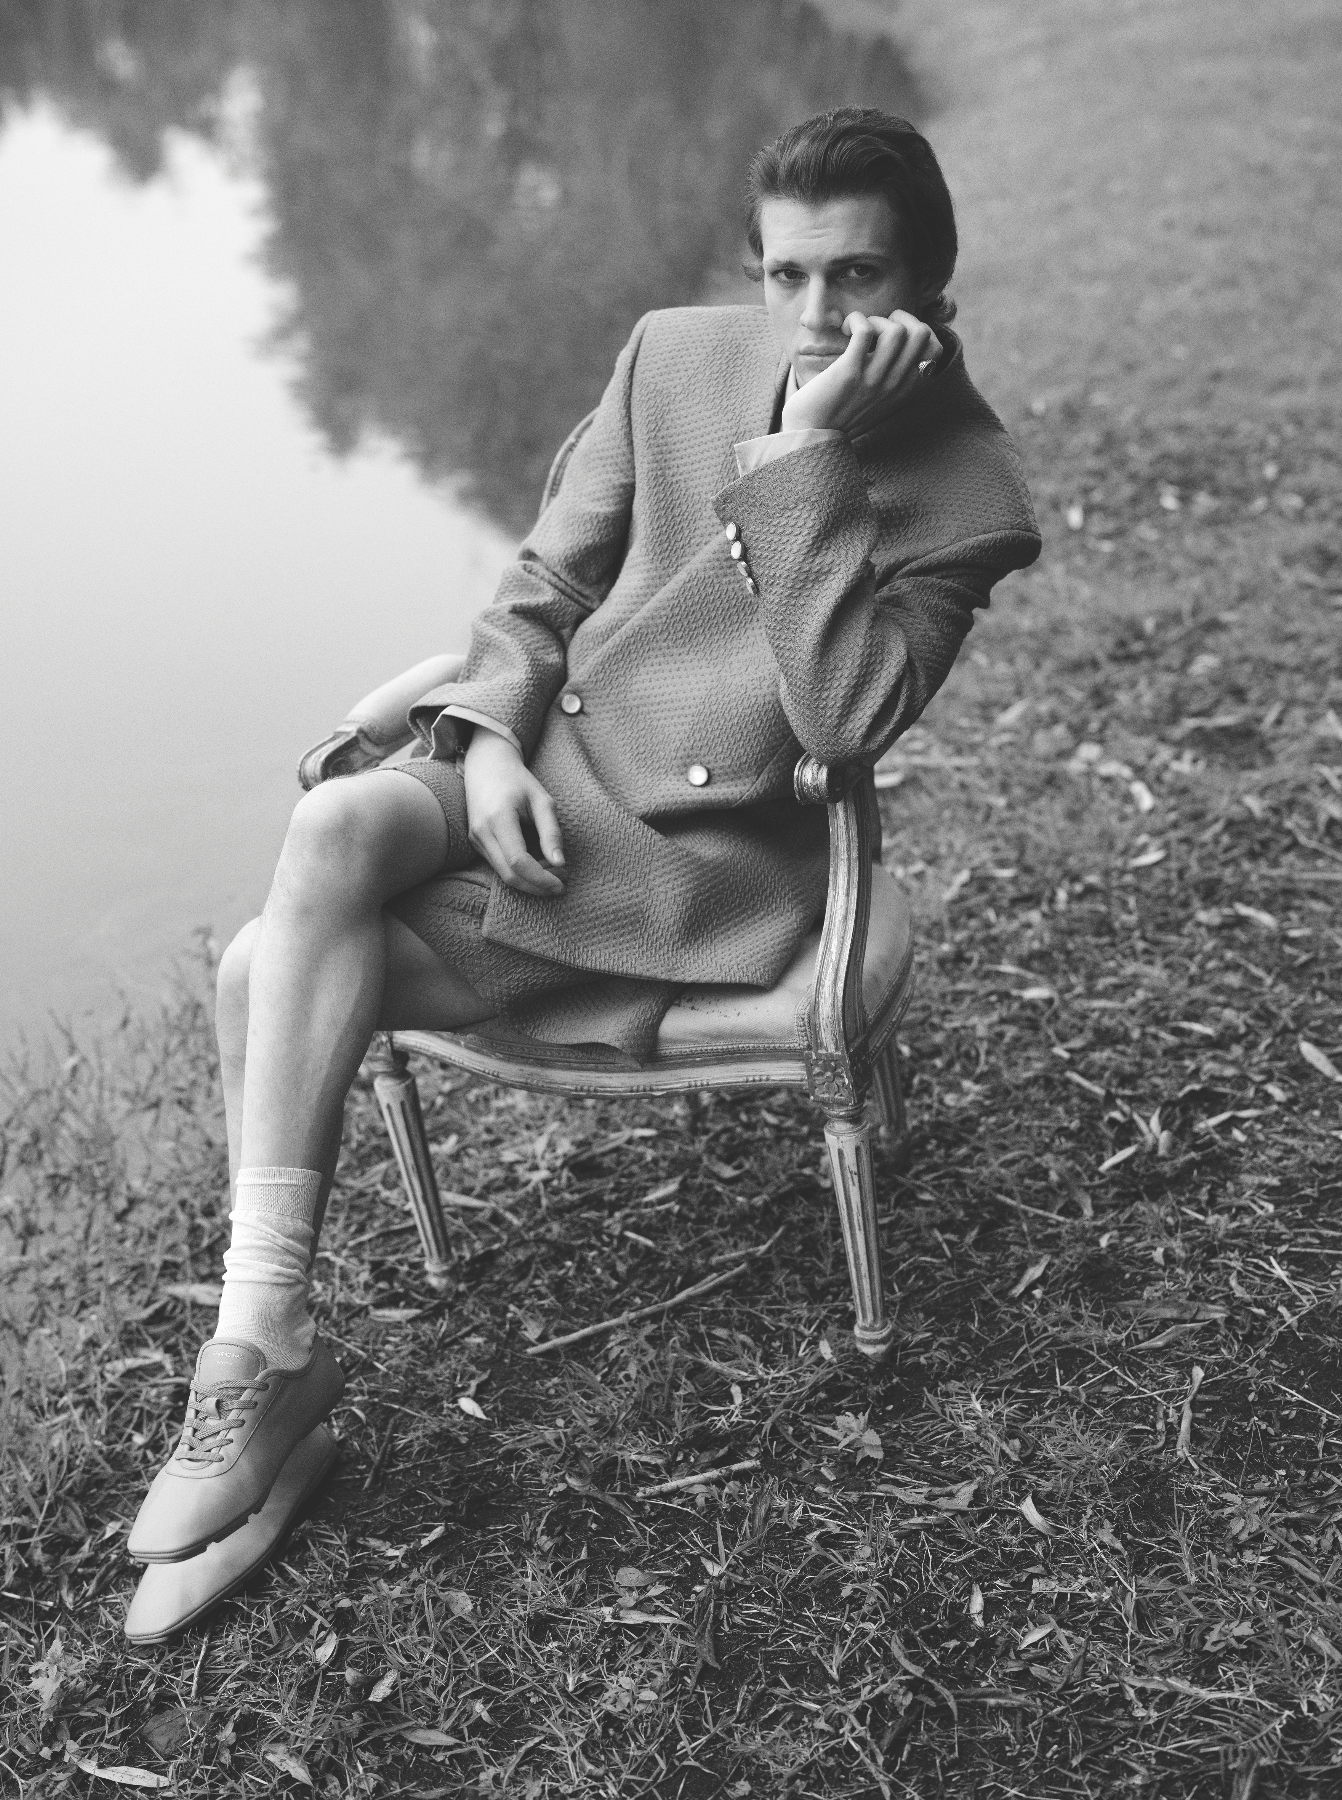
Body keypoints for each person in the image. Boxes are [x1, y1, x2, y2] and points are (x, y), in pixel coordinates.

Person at [127, 107, 1041, 1563]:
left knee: (256, 971)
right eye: (786, 274)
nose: (814, 314)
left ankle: (262, 1360)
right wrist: (487, 737)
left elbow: (845, 721)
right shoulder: (669, 356)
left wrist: (802, 455)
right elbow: (544, 584)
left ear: (930, 287)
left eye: (857, 277)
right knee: (340, 820)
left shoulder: (968, 497)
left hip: (687, 852)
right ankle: (260, 1344)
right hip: (538, 764)